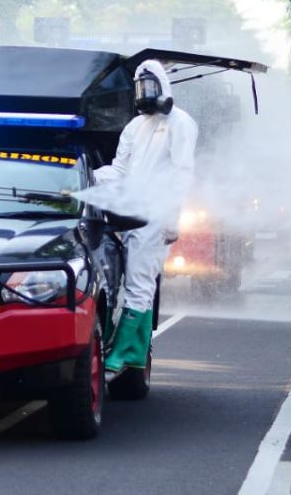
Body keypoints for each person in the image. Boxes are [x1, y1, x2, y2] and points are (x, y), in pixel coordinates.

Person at [94, 60, 198, 375]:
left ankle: (120, 355)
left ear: (162, 85)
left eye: (149, 84)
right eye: (140, 85)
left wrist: (172, 217)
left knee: (140, 282)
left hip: (156, 215)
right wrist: (91, 176)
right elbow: (120, 170)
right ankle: (135, 355)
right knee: (137, 283)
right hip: (131, 214)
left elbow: (183, 173)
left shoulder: (180, 123)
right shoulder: (134, 127)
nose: (144, 92)